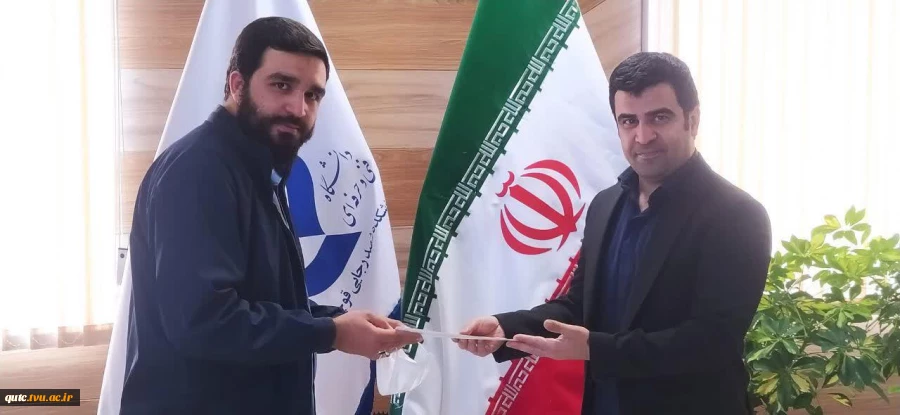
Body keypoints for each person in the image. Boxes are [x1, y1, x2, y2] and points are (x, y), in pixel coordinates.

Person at [119, 17, 421, 414]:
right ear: (237, 84)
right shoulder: (200, 171)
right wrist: (330, 332)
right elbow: (205, 321)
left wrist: (340, 321)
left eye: (313, 94)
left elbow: (260, 299)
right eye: (281, 85)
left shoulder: (258, 166)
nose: (298, 108)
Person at [456, 52, 772, 415]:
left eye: (659, 117)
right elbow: (580, 306)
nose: (643, 136)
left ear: (692, 119)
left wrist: (596, 349)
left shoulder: (737, 215)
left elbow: (711, 341)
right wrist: (506, 327)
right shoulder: (605, 205)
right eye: (629, 121)